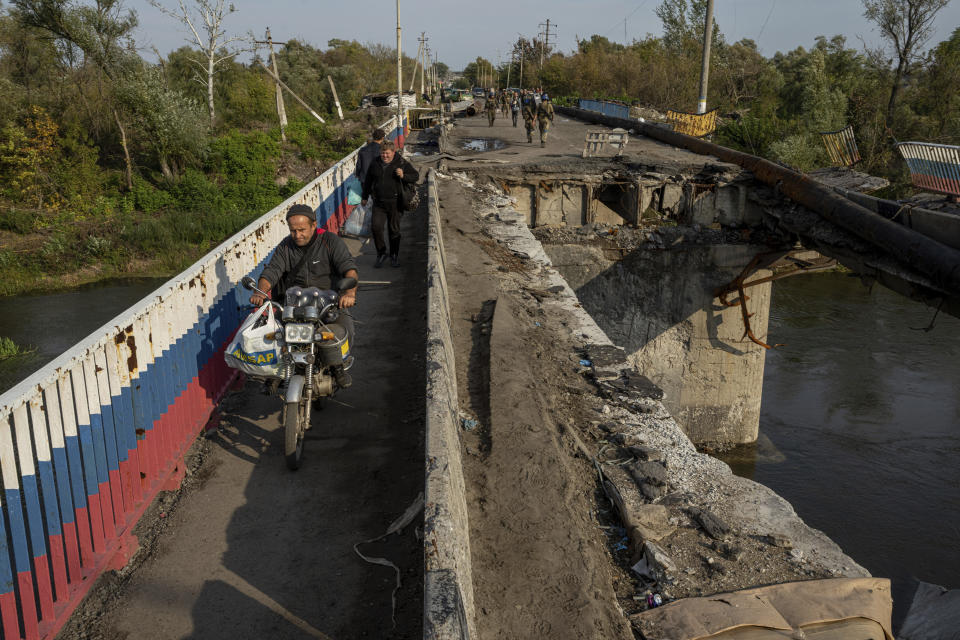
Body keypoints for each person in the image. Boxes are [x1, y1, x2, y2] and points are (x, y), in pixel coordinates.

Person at [250, 204, 358, 387]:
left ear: (313, 225)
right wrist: (260, 292)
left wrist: (349, 293)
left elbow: (349, 269)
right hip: (294, 306)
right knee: (270, 334)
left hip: (327, 305)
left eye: (302, 230)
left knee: (341, 332)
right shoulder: (285, 247)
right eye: (293, 231)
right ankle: (276, 372)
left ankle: (337, 367)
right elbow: (271, 272)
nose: (298, 235)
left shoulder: (330, 241)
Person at [361, 140, 420, 268]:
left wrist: (403, 175)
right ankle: (381, 253)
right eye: (382, 153)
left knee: (394, 230)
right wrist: (364, 196)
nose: (385, 156)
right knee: (376, 228)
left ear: (393, 152)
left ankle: (394, 255)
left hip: (395, 203)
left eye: (387, 153)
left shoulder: (401, 162)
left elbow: (415, 176)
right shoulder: (375, 163)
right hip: (379, 203)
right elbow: (368, 181)